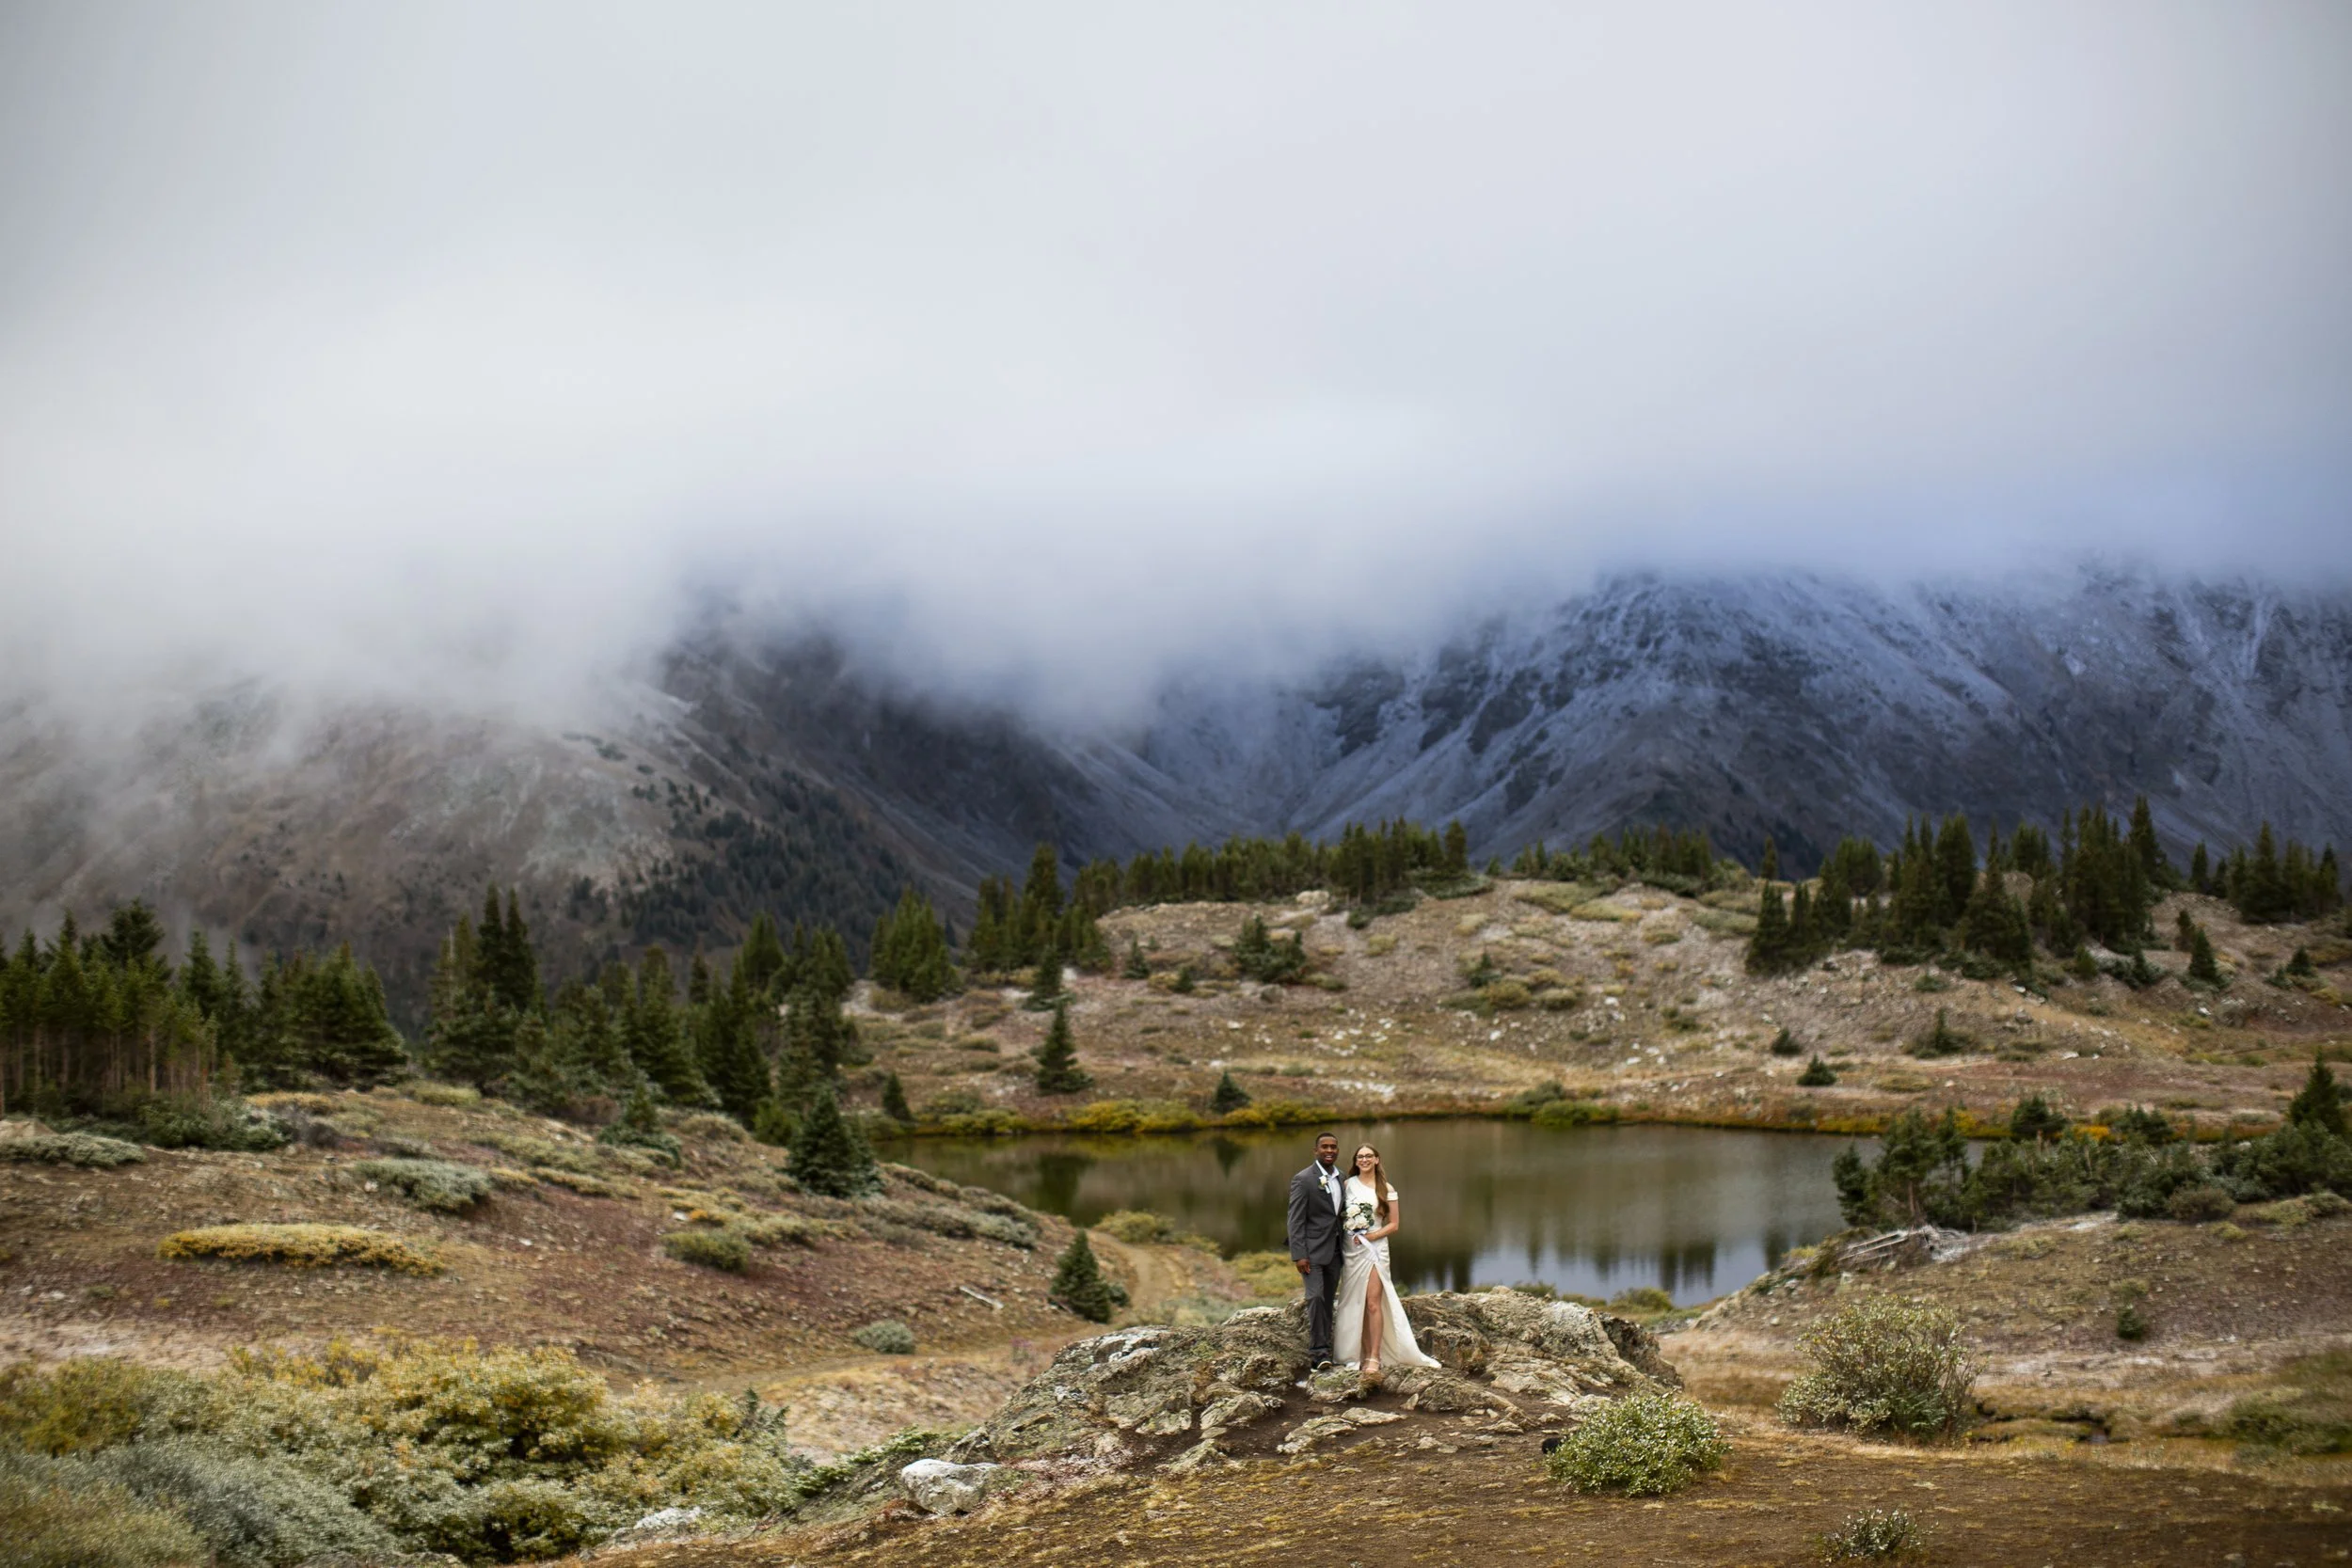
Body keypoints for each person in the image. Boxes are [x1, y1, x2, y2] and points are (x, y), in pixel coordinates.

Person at [1332, 1142, 1438, 1380]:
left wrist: (1372, 1236)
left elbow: (1394, 1224)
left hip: (1375, 1250)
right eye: (1360, 1156)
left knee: (1372, 1303)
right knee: (1354, 1302)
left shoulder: (1386, 1188)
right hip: (1351, 1251)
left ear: (1377, 1160)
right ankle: (1357, 1353)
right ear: (1355, 1161)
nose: (1364, 1160)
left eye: (1369, 1156)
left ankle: (1374, 1356)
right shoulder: (1347, 1185)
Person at [1285, 1132, 1345, 1367]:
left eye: (1333, 1147)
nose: (1329, 1151)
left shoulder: (1342, 1176)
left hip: (1336, 1252)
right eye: (1325, 1147)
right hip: (1311, 1252)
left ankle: (1327, 1347)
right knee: (1315, 1297)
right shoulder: (1304, 1179)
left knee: (1328, 1299)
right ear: (1316, 1151)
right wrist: (1299, 1254)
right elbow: (1295, 1219)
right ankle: (1318, 1354)